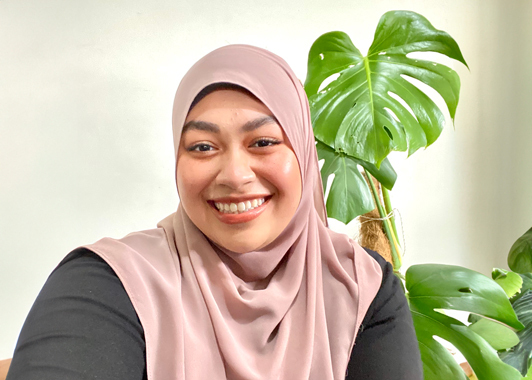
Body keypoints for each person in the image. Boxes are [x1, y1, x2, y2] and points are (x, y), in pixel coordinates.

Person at [5, 45, 422, 380]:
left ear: (303, 153)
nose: (235, 176)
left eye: (263, 142)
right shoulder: (111, 281)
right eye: (202, 147)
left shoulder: (360, 285)